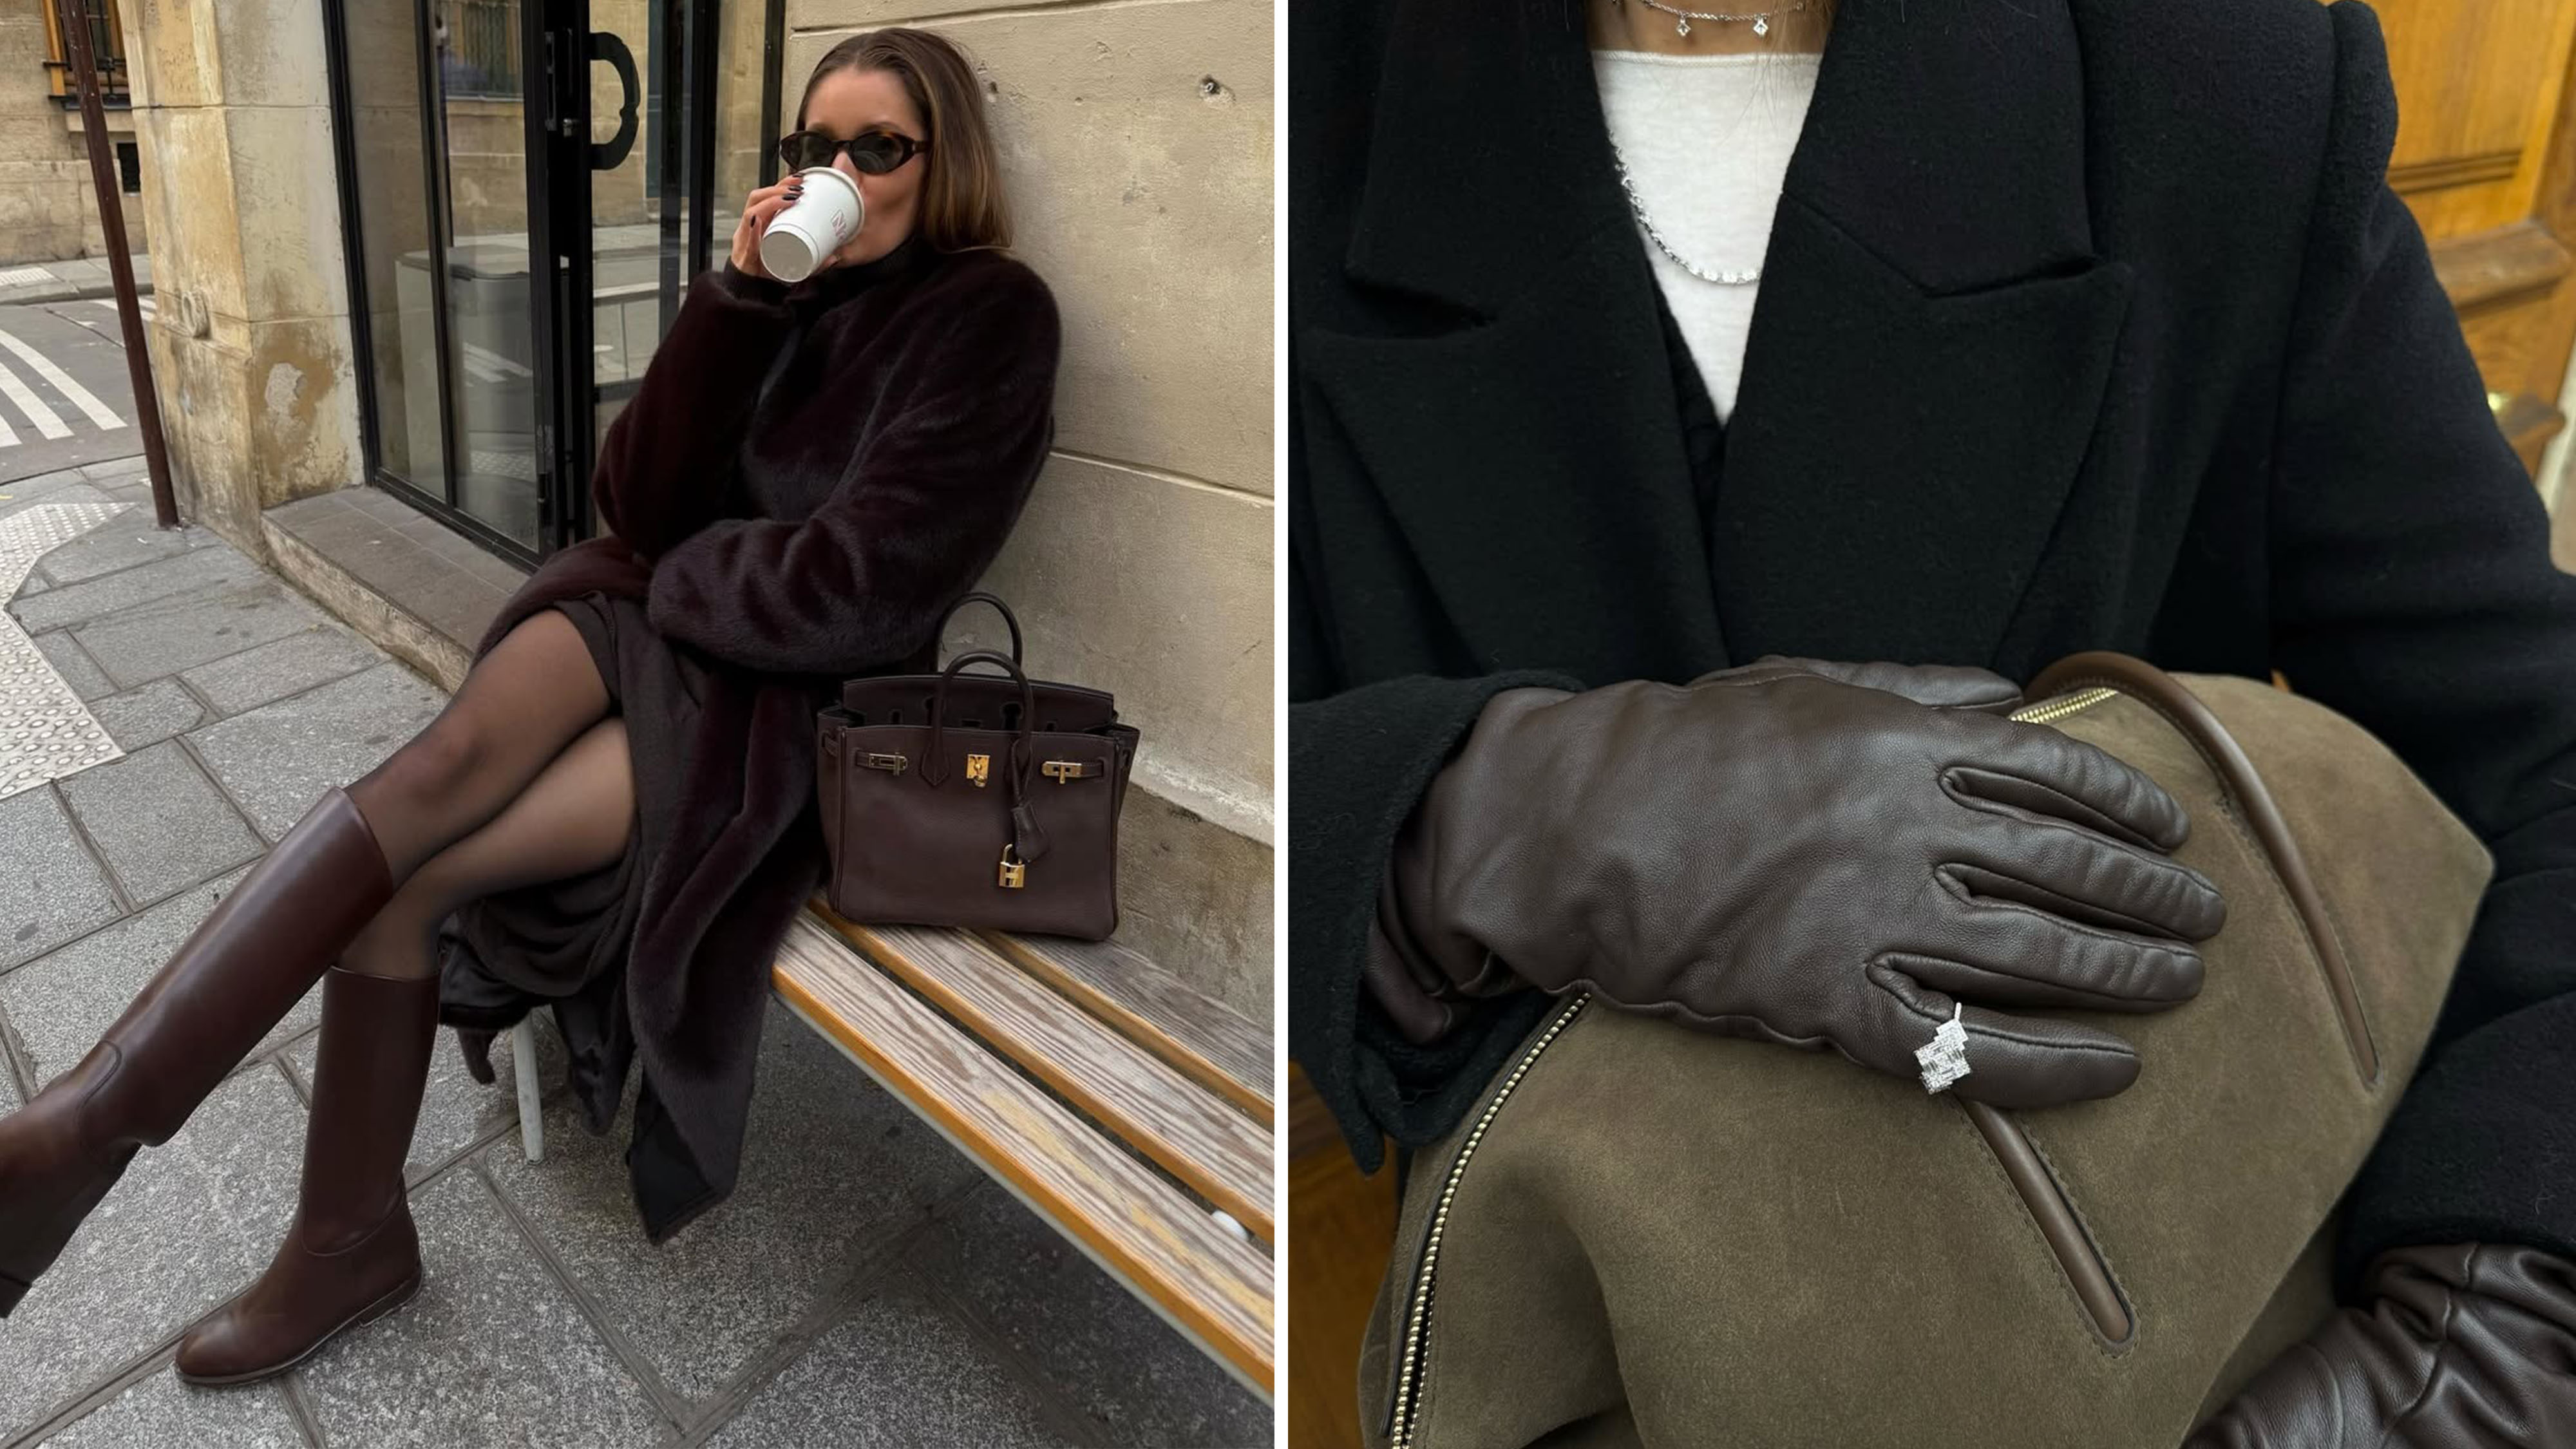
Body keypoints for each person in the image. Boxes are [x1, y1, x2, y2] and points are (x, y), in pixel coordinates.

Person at [1288, 0, 2576, 1439]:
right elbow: (1186, 754)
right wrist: (1468, 820)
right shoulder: (1280, 102)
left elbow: (2538, 757)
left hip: (2150, 1326)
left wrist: (2498, 1329)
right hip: (1565, 1349)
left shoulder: (2223, 79)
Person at [0, 26, 1061, 1387]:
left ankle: (156, 1162)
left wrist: (681, 577)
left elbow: (869, 587)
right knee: (436, 789)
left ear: (942, 160)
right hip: (662, 622)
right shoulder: (783, 294)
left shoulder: (989, 316)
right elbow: (644, 501)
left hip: (776, 704)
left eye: (877, 150)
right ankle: (219, 1178)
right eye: (813, 147)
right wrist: (735, 303)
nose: (836, 173)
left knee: (434, 848)